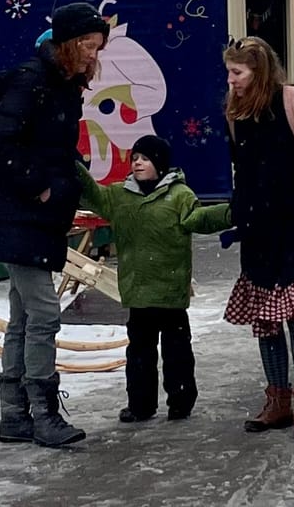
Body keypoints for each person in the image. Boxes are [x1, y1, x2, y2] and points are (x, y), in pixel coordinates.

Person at [0, 2, 110, 448]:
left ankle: (14, 414)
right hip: (21, 214)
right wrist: (39, 186)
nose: (94, 55)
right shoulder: (33, 81)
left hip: (36, 218)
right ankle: (43, 413)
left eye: (98, 47)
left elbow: (51, 144)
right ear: (68, 43)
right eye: (88, 45)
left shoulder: (61, 84)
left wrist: (74, 179)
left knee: (22, 316)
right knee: (44, 314)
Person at [218, 36, 294, 441]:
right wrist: (244, 211)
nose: (231, 80)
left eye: (237, 72)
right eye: (229, 73)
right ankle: (278, 400)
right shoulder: (234, 113)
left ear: (259, 70)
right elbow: (242, 171)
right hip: (260, 235)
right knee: (267, 323)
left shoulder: (293, 103)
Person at [76, 135, 230, 424]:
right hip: (139, 293)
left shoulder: (180, 196)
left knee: (177, 352)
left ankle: (181, 402)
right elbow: (91, 194)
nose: (137, 163)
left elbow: (202, 218)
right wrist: (72, 163)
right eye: (135, 158)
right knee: (139, 355)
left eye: (144, 158)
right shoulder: (119, 196)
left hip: (170, 291)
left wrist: (235, 212)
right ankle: (140, 405)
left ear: (159, 164)